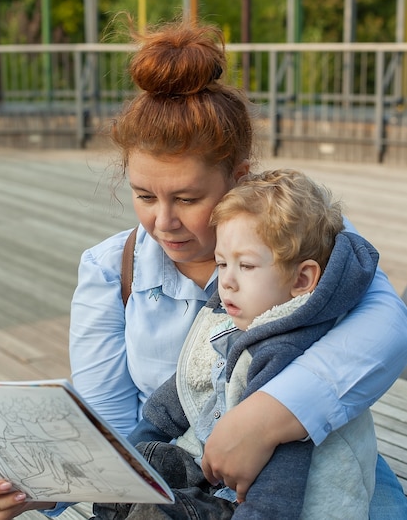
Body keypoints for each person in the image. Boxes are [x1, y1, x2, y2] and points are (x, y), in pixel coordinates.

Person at [0, 19, 406, 520]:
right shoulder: (109, 270)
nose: (163, 223)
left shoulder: (297, 231)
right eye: (144, 196)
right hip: (187, 485)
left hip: (325, 477)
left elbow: (386, 328)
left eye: (188, 198)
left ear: (238, 178)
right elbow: (119, 432)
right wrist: (44, 484)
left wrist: (264, 417)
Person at [112, 169, 379, 519]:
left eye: (247, 266)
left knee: (157, 512)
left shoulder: (289, 351)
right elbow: (177, 395)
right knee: (140, 466)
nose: (228, 282)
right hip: (220, 479)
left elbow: (283, 479)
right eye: (222, 264)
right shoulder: (236, 315)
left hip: (276, 503)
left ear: (302, 278)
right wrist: (128, 457)